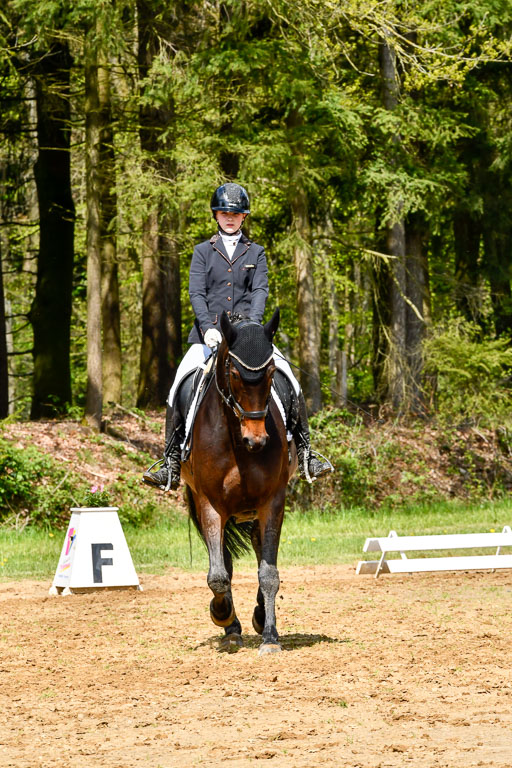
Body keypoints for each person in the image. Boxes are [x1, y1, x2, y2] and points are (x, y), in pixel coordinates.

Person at [143, 182, 332, 491]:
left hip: (249, 336)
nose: (229, 218)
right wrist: (208, 327)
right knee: (179, 384)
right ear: (216, 215)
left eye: (235, 214)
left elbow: (260, 290)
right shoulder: (202, 252)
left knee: (290, 378)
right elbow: (196, 292)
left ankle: (307, 454)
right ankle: (171, 463)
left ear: (244, 217)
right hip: (208, 336)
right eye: (224, 213)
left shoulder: (256, 252)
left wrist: (253, 329)